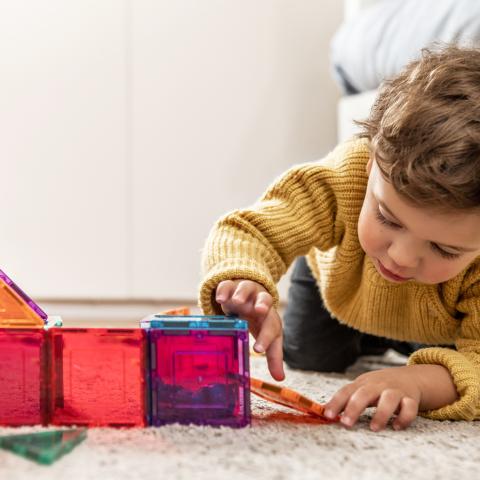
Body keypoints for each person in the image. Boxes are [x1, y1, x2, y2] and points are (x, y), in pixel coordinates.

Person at [198, 45, 480, 431]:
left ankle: (400, 346)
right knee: (308, 355)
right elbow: (248, 229)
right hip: (339, 284)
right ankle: (375, 337)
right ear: (371, 163)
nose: (399, 257)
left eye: (444, 249)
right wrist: (244, 280)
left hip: (439, 322)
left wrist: (418, 380)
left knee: (435, 370)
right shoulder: (343, 175)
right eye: (386, 217)